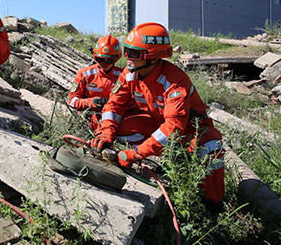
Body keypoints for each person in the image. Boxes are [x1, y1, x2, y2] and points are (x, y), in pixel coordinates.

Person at [91, 22, 225, 205]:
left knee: (210, 147)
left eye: (134, 54)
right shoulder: (130, 74)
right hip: (157, 122)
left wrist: (135, 154)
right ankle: (156, 165)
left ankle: (211, 203)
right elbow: (113, 106)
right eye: (127, 51)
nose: (127, 58)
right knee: (119, 126)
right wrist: (106, 132)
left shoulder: (175, 82)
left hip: (191, 130)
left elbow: (173, 128)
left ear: (152, 58)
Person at [67, 35, 122, 127]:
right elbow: (72, 100)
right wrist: (90, 102)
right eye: (100, 59)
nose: (104, 63)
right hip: (88, 118)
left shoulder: (123, 76)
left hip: (114, 118)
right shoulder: (84, 74)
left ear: (116, 59)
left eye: (108, 60)